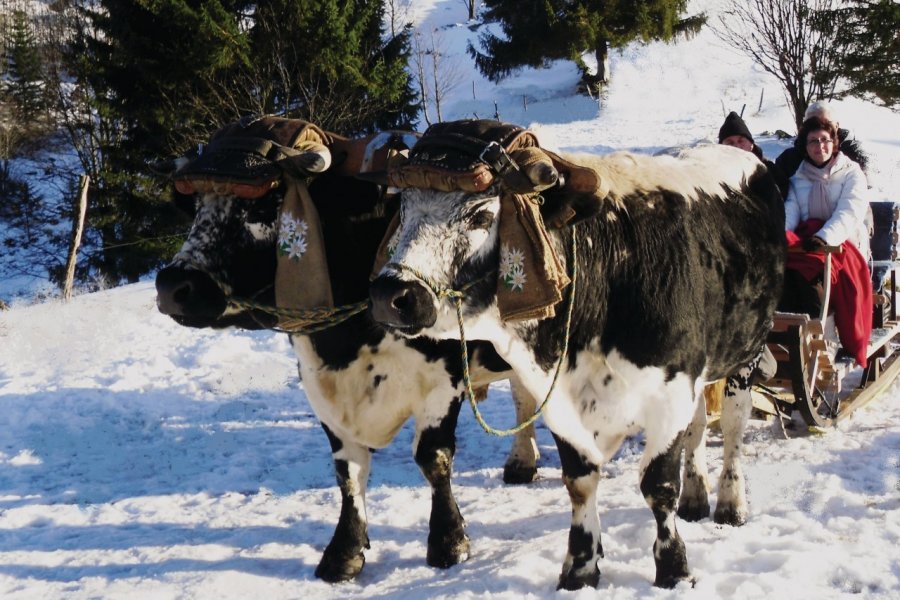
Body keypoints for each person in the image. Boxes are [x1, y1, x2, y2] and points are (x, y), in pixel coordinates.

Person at [781, 115, 872, 367]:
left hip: (842, 243)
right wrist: (781, 236)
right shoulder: (799, 177)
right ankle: (789, 337)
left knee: (811, 282)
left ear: (834, 142)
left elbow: (849, 211)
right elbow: (792, 210)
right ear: (804, 146)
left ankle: (825, 338)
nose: (819, 146)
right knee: (785, 275)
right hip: (806, 243)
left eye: (824, 140)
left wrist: (824, 237)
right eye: (812, 141)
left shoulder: (851, 174)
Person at [775, 101, 870, 180]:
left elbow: (863, 191)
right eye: (812, 123)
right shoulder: (789, 159)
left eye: (826, 123)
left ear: (836, 126)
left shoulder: (853, 154)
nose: (820, 127)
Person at [718, 111, 789, 196]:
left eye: (741, 141)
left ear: (751, 144)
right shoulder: (716, 176)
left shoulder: (770, 172)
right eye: (730, 143)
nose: (736, 146)